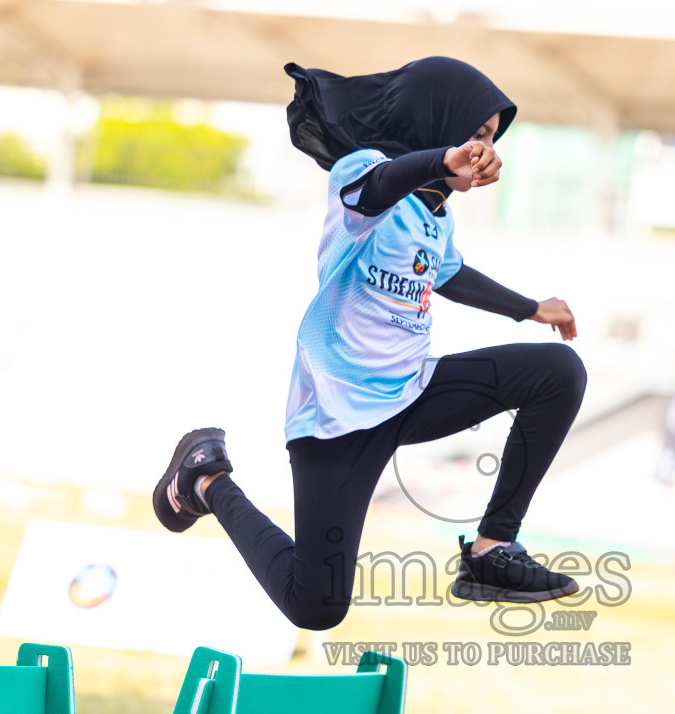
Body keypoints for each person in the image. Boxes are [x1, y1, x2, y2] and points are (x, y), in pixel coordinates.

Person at [153, 56, 587, 631]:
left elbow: (450, 275)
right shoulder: (361, 172)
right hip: (337, 418)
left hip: (410, 393)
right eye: (477, 134)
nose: (485, 151)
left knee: (559, 371)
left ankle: (493, 551)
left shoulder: (435, 216)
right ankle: (206, 480)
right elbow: (379, 187)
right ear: (437, 123)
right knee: (317, 607)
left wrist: (530, 308)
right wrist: (444, 159)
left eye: (490, 140)